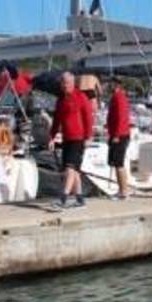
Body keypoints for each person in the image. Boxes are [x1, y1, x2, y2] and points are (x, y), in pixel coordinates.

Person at [50, 72, 93, 209]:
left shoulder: (81, 97)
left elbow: (88, 117)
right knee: (74, 171)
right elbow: (56, 120)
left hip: (78, 138)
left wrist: (88, 136)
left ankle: (63, 198)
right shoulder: (61, 100)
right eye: (63, 83)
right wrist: (51, 137)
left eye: (67, 83)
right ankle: (80, 199)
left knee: (70, 168)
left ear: (73, 83)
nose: (65, 85)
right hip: (67, 138)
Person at [106, 81, 132, 199]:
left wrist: (116, 135)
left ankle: (124, 191)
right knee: (117, 163)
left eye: (110, 84)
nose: (108, 86)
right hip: (116, 133)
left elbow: (121, 117)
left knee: (118, 163)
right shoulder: (115, 97)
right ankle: (122, 189)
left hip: (120, 135)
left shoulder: (119, 97)